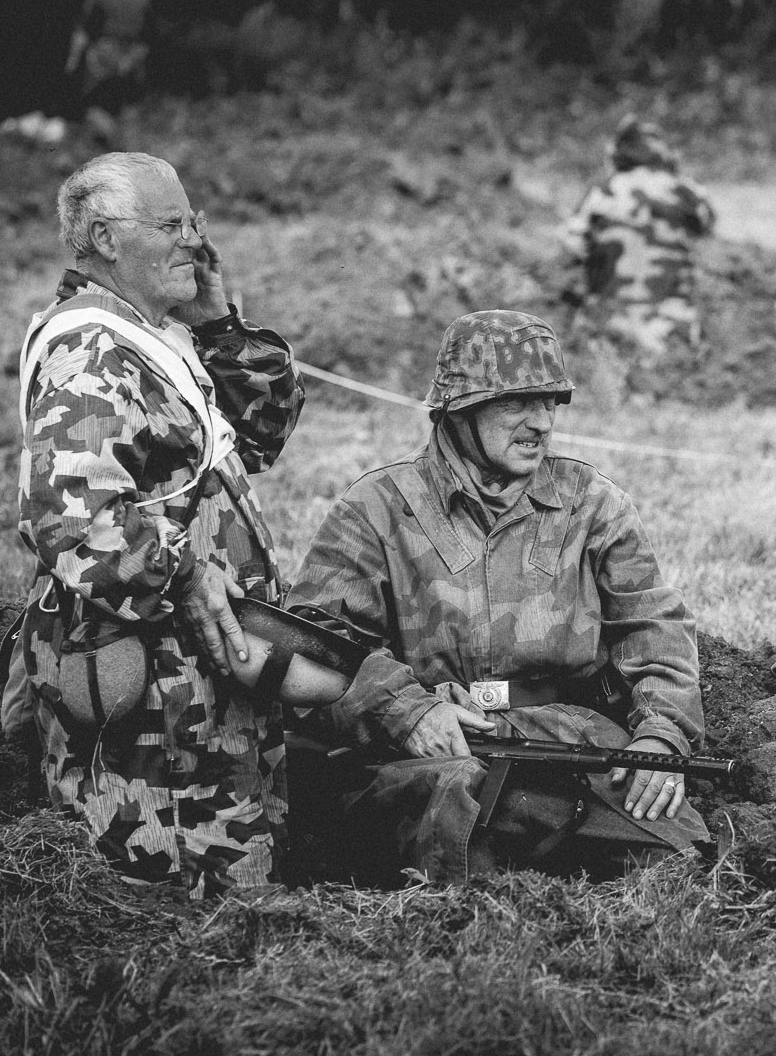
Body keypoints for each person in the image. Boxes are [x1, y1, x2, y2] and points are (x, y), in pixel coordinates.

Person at [287, 310, 710, 883]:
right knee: (455, 805)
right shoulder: (375, 509)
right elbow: (313, 648)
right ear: (459, 410)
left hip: (563, 740)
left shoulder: (592, 504)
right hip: (432, 748)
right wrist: (407, 710)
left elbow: (654, 628)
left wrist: (661, 734)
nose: (541, 423)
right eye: (517, 403)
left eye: (551, 403)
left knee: (677, 847)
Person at [16, 151, 304, 897]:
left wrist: (215, 322)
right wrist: (184, 572)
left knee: (241, 888)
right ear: (106, 239)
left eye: (194, 222)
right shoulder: (90, 351)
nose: (195, 243)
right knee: (171, 905)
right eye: (172, 225)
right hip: (158, 710)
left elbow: (262, 433)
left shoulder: (158, 336)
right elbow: (69, 518)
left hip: (208, 687)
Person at [556, 117, 716, 355]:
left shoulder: (603, 190)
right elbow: (708, 237)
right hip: (672, 322)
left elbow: (570, 249)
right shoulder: (689, 193)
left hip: (611, 320)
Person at [67, 0, 153, 116]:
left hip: (105, 51)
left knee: (95, 102)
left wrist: (73, 60)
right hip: (132, 54)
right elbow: (149, 33)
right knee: (128, 103)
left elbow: (85, 28)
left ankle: (98, 132)